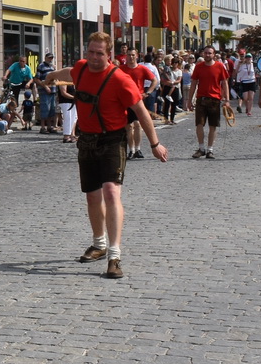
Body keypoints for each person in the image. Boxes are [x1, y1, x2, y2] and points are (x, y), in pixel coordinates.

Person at [40, 32, 167, 279]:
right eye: (91, 52)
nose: (94, 57)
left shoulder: (120, 80)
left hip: (112, 140)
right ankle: (99, 245)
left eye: (100, 53)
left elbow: (141, 112)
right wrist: (53, 75)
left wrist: (155, 144)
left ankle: (114, 255)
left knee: (111, 192)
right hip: (86, 140)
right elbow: (71, 72)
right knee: (91, 196)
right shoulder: (82, 68)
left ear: (109, 55)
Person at [185, 46, 229, 160]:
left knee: (213, 126)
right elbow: (194, 84)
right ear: (202, 54)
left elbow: (225, 83)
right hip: (201, 99)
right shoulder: (199, 67)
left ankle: (210, 149)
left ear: (214, 54)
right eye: (206, 53)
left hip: (215, 99)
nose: (207, 55)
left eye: (210, 53)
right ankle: (201, 148)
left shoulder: (220, 66)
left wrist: (227, 100)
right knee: (199, 124)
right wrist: (189, 101)